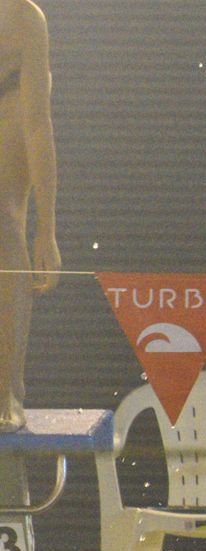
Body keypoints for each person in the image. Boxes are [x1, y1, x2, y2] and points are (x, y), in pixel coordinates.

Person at [0, 0, 58, 434]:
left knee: (3, 220)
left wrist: (47, 229)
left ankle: (8, 388)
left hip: (12, 101)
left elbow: (37, 126)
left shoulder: (23, 19)